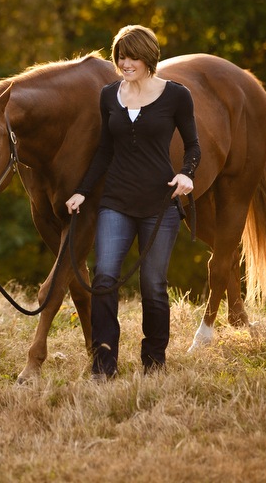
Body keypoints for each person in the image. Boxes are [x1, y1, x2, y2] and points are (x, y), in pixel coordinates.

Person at [65, 25, 200, 380]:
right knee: (105, 277)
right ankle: (103, 365)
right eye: (121, 56)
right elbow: (105, 151)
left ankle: (154, 362)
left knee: (153, 285)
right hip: (116, 202)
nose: (125, 63)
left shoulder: (176, 96)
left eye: (132, 57)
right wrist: (83, 189)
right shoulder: (109, 95)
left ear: (148, 57)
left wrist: (187, 173)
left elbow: (193, 146)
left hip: (160, 206)